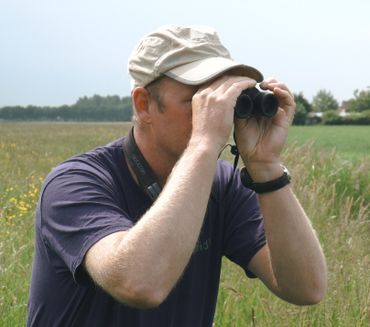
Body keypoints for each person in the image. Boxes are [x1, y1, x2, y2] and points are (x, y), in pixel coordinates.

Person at [27, 25, 327, 326]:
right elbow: (140, 283)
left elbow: (306, 288)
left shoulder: (222, 185)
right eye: (200, 99)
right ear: (143, 104)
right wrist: (204, 144)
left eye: (225, 97)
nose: (218, 110)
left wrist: (265, 166)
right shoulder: (75, 183)